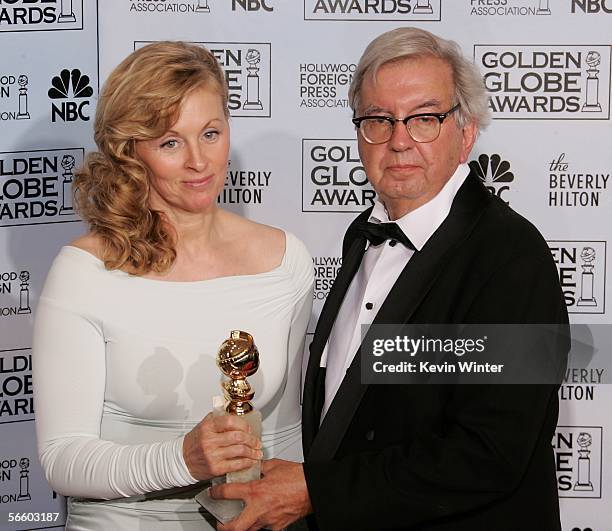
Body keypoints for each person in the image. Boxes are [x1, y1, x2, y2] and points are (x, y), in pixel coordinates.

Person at [210, 27, 568, 531]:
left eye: (424, 118)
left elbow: (491, 452)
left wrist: (318, 491)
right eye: (379, 119)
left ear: (466, 133)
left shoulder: (512, 257)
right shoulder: (363, 236)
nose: (399, 141)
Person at [32, 41, 313, 530]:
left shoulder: (284, 261)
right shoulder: (85, 271)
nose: (199, 161)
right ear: (130, 152)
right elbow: (63, 459)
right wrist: (182, 458)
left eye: (211, 132)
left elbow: (285, 433)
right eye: (169, 142)